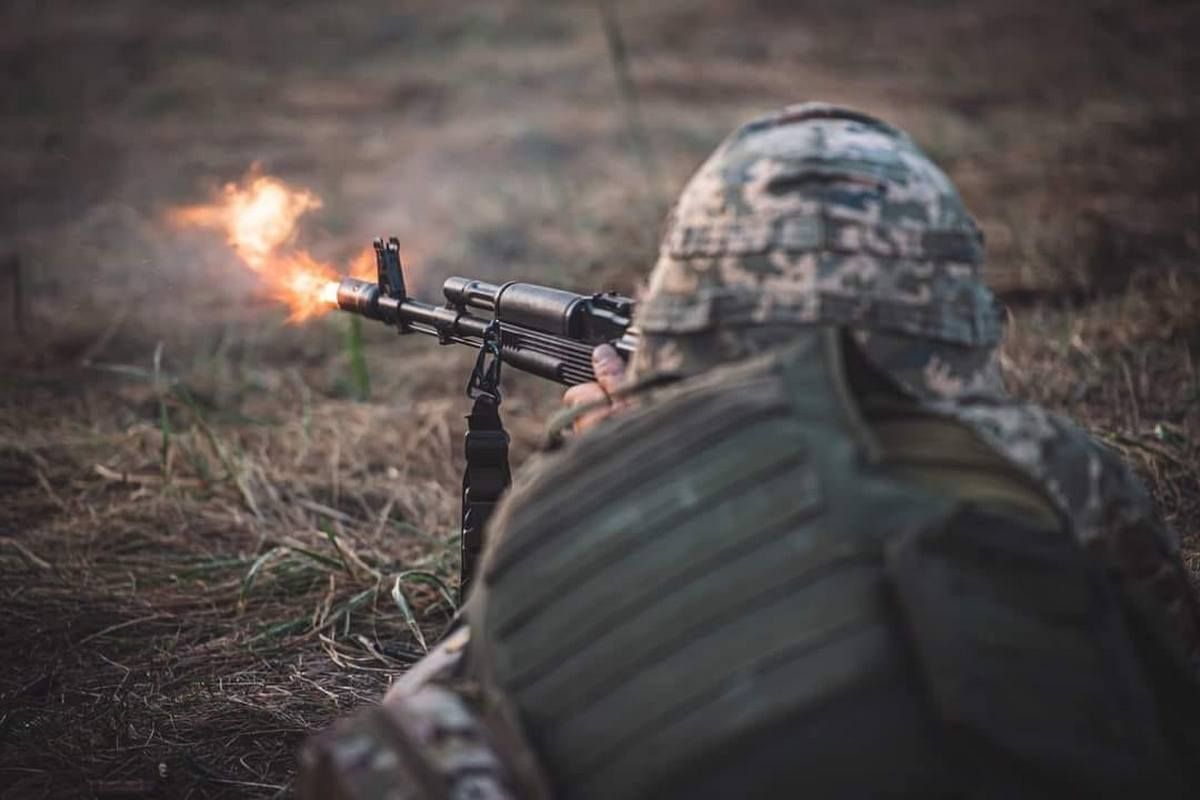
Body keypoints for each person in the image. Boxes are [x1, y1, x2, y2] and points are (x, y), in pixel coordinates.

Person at [299, 104, 1200, 799]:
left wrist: (612, 459)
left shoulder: (575, 508)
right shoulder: (1064, 470)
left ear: (694, 294)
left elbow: (494, 682)